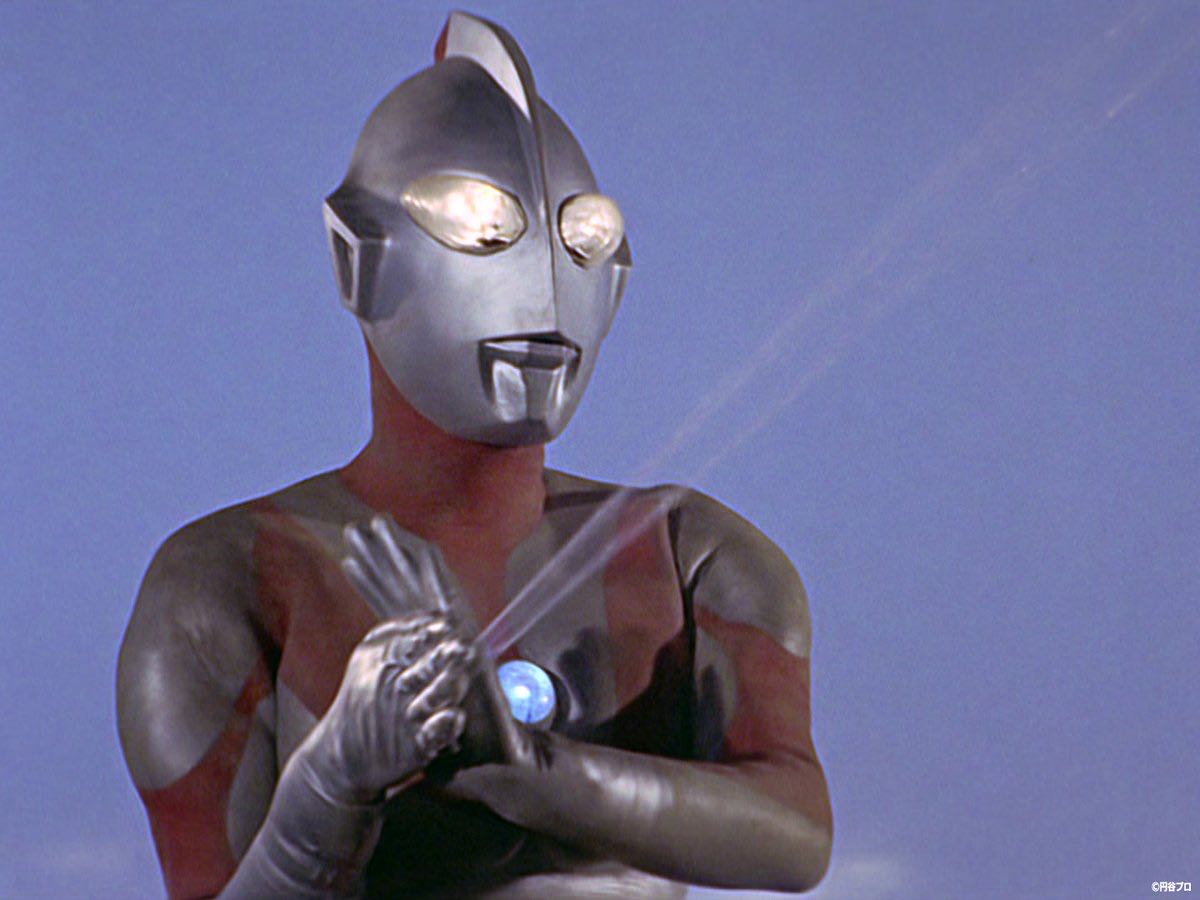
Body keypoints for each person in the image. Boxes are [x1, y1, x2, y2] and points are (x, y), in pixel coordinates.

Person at [116, 12, 832, 899]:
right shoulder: (223, 582)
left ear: (618, 275)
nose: (544, 281)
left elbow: (797, 833)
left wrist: (532, 770)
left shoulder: (695, 557)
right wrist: (333, 784)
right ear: (358, 261)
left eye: (583, 237)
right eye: (482, 230)